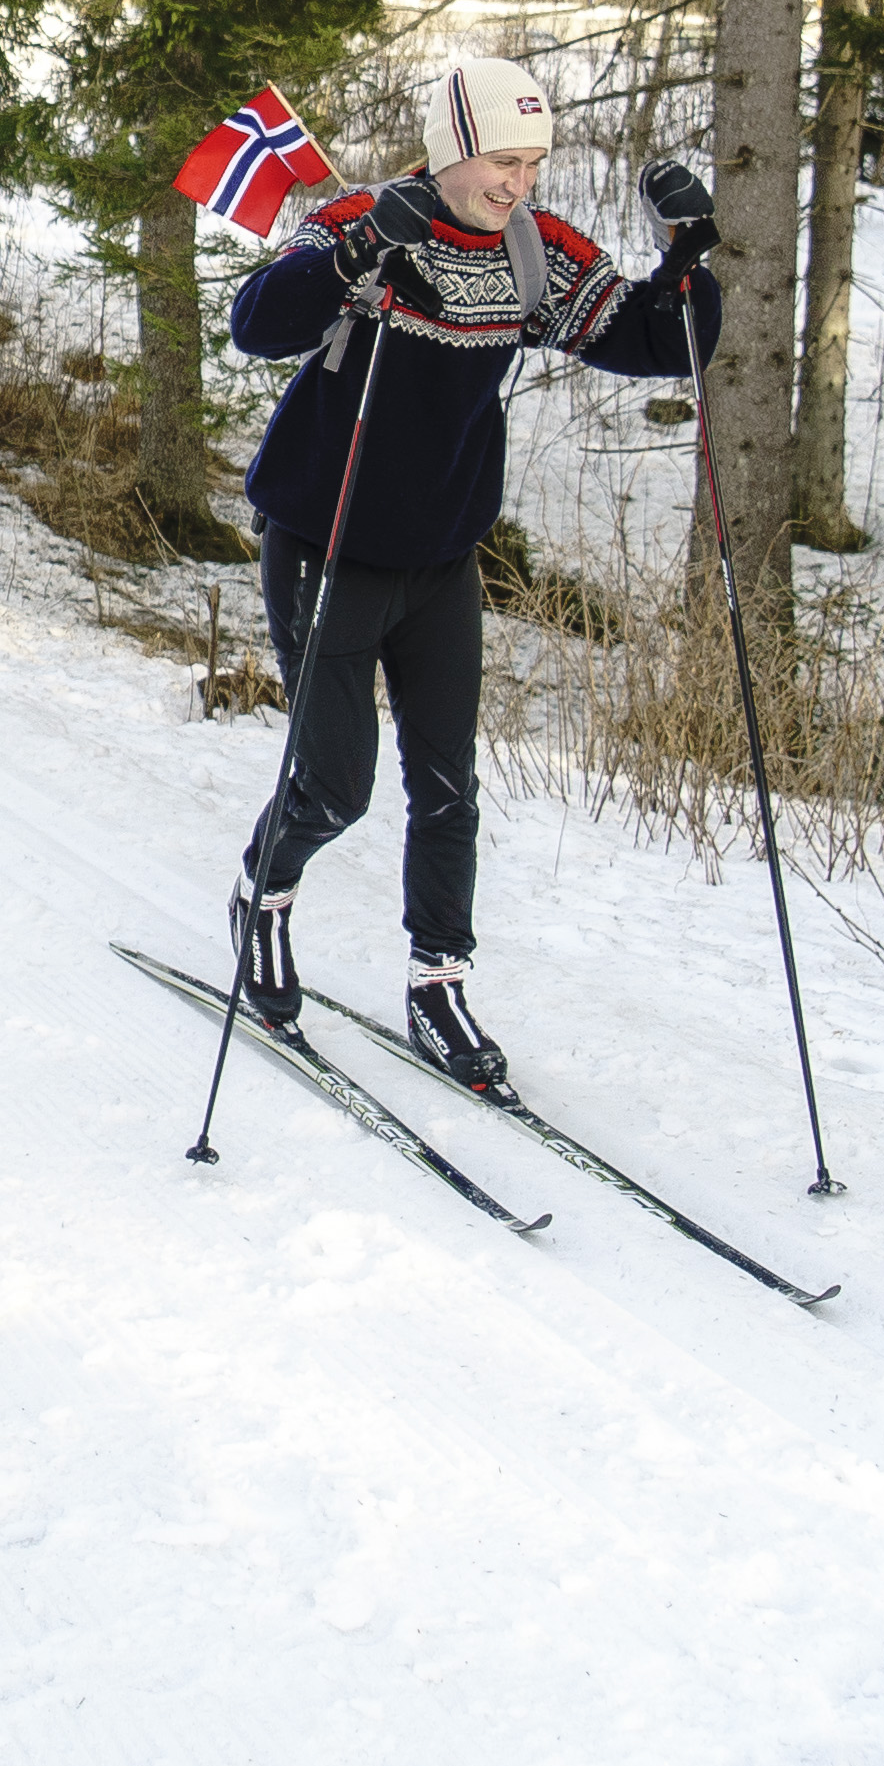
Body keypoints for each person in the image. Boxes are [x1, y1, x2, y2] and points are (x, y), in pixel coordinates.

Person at [223, 55, 720, 1088]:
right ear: (453, 150)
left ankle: (438, 983)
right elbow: (256, 323)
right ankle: (261, 898)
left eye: (532, 162)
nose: (518, 183)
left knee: (448, 790)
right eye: (502, 159)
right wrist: (356, 251)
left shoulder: (532, 252)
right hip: (326, 539)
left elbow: (652, 341)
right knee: (333, 788)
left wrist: (687, 265)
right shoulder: (363, 216)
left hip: (442, 555)